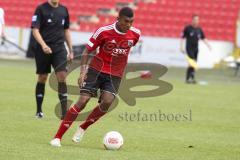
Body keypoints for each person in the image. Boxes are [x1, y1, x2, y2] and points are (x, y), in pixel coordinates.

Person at [50, 7, 141, 147]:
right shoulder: (103, 31)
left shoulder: (135, 34)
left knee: (107, 102)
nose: (129, 24)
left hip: (115, 74)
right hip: (96, 70)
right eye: (126, 21)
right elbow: (88, 51)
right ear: (118, 19)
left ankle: (83, 127)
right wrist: (82, 72)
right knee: (83, 100)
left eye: (131, 21)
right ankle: (57, 138)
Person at [31, 0, 74, 119]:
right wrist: (43, 45)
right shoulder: (41, 9)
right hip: (43, 49)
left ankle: (64, 113)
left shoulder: (64, 10)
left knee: (62, 76)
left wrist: (71, 50)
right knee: (42, 77)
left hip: (59, 48)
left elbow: (66, 30)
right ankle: (39, 111)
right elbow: (35, 30)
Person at [180, 15, 211, 84]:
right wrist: (181, 47)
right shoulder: (188, 28)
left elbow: (203, 38)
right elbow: (182, 37)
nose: (196, 21)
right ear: (192, 20)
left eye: (197, 20)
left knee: (193, 63)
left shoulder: (199, 29)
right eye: (195, 19)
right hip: (189, 49)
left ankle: (190, 79)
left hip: (196, 49)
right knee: (192, 62)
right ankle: (189, 79)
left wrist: (208, 45)